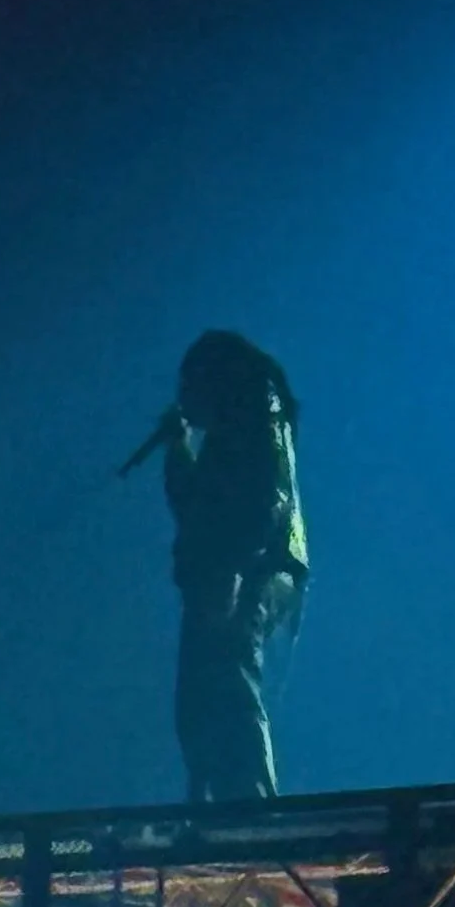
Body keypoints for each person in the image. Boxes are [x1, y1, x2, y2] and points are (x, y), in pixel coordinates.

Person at [153, 330, 308, 805]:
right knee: (203, 694)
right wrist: (178, 449)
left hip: (250, 571)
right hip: (229, 572)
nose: (183, 400)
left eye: (187, 387)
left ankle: (249, 809)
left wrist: (235, 573)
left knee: (228, 682)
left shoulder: (255, 408)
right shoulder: (232, 428)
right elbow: (196, 507)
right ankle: (218, 804)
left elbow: (265, 499)